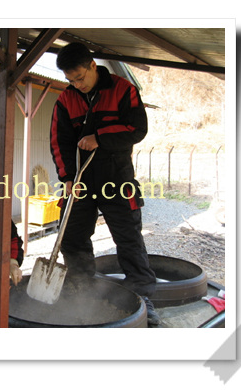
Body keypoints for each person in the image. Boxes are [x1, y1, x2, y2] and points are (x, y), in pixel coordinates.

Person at [50, 42, 160, 325]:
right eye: (71, 80)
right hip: (81, 180)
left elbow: (137, 129)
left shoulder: (123, 90)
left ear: (92, 66)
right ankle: (81, 288)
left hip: (117, 176)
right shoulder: (65, 100)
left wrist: (100, 137)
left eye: (80, 78)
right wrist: (67, 178)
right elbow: (59, 142)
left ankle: (142, 295)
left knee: (128, 237)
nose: (77, 85)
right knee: (72, 236)